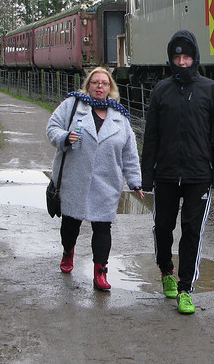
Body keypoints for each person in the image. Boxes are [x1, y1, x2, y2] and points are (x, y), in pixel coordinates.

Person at [141, 30, 214, 314]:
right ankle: (166, 269)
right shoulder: (161, 91)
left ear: (195, 58)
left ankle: (186, 288)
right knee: (164, 227)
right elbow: (151, 135)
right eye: (177, 57)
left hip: (198, 175)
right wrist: (146, 175)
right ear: (171, 59)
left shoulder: (210, 89)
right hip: (165, 173)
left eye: (186, 57)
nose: (182, 62)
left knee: (192, 231)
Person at [46, 66, 143, 291]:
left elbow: (130, 153)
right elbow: (52, 128)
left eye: (105, 83)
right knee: (70, 223)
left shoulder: (120, 116)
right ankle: (68, 252)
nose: (100, 86)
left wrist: (135, 181)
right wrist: (64, 137)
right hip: (75, 178)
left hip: (106, 182)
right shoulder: (72, 105)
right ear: (88, 85)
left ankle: (100, 272)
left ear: (111, 88)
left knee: (103, 227)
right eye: (95, 82)